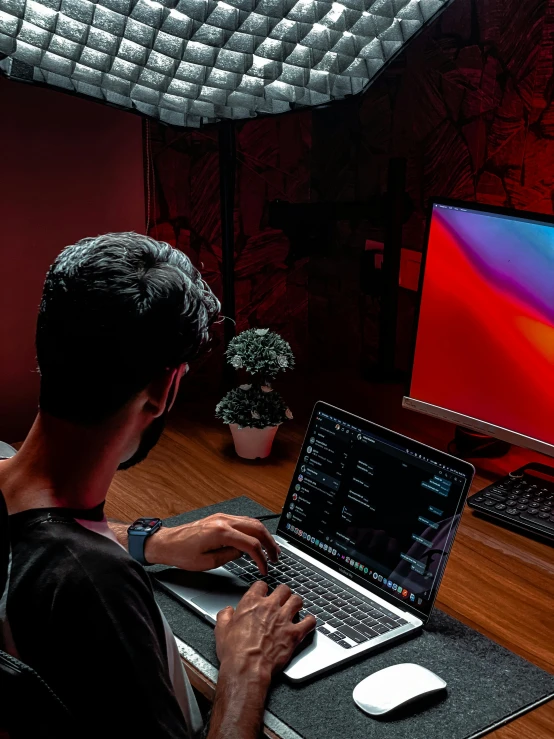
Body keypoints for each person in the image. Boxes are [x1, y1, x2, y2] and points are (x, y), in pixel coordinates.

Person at [0, 233, 315, 738]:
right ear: (164, 390)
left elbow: (40, 536)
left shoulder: (7, 475)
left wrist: (153, 541)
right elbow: (68, 561)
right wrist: (246, 669)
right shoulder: (95, 586)